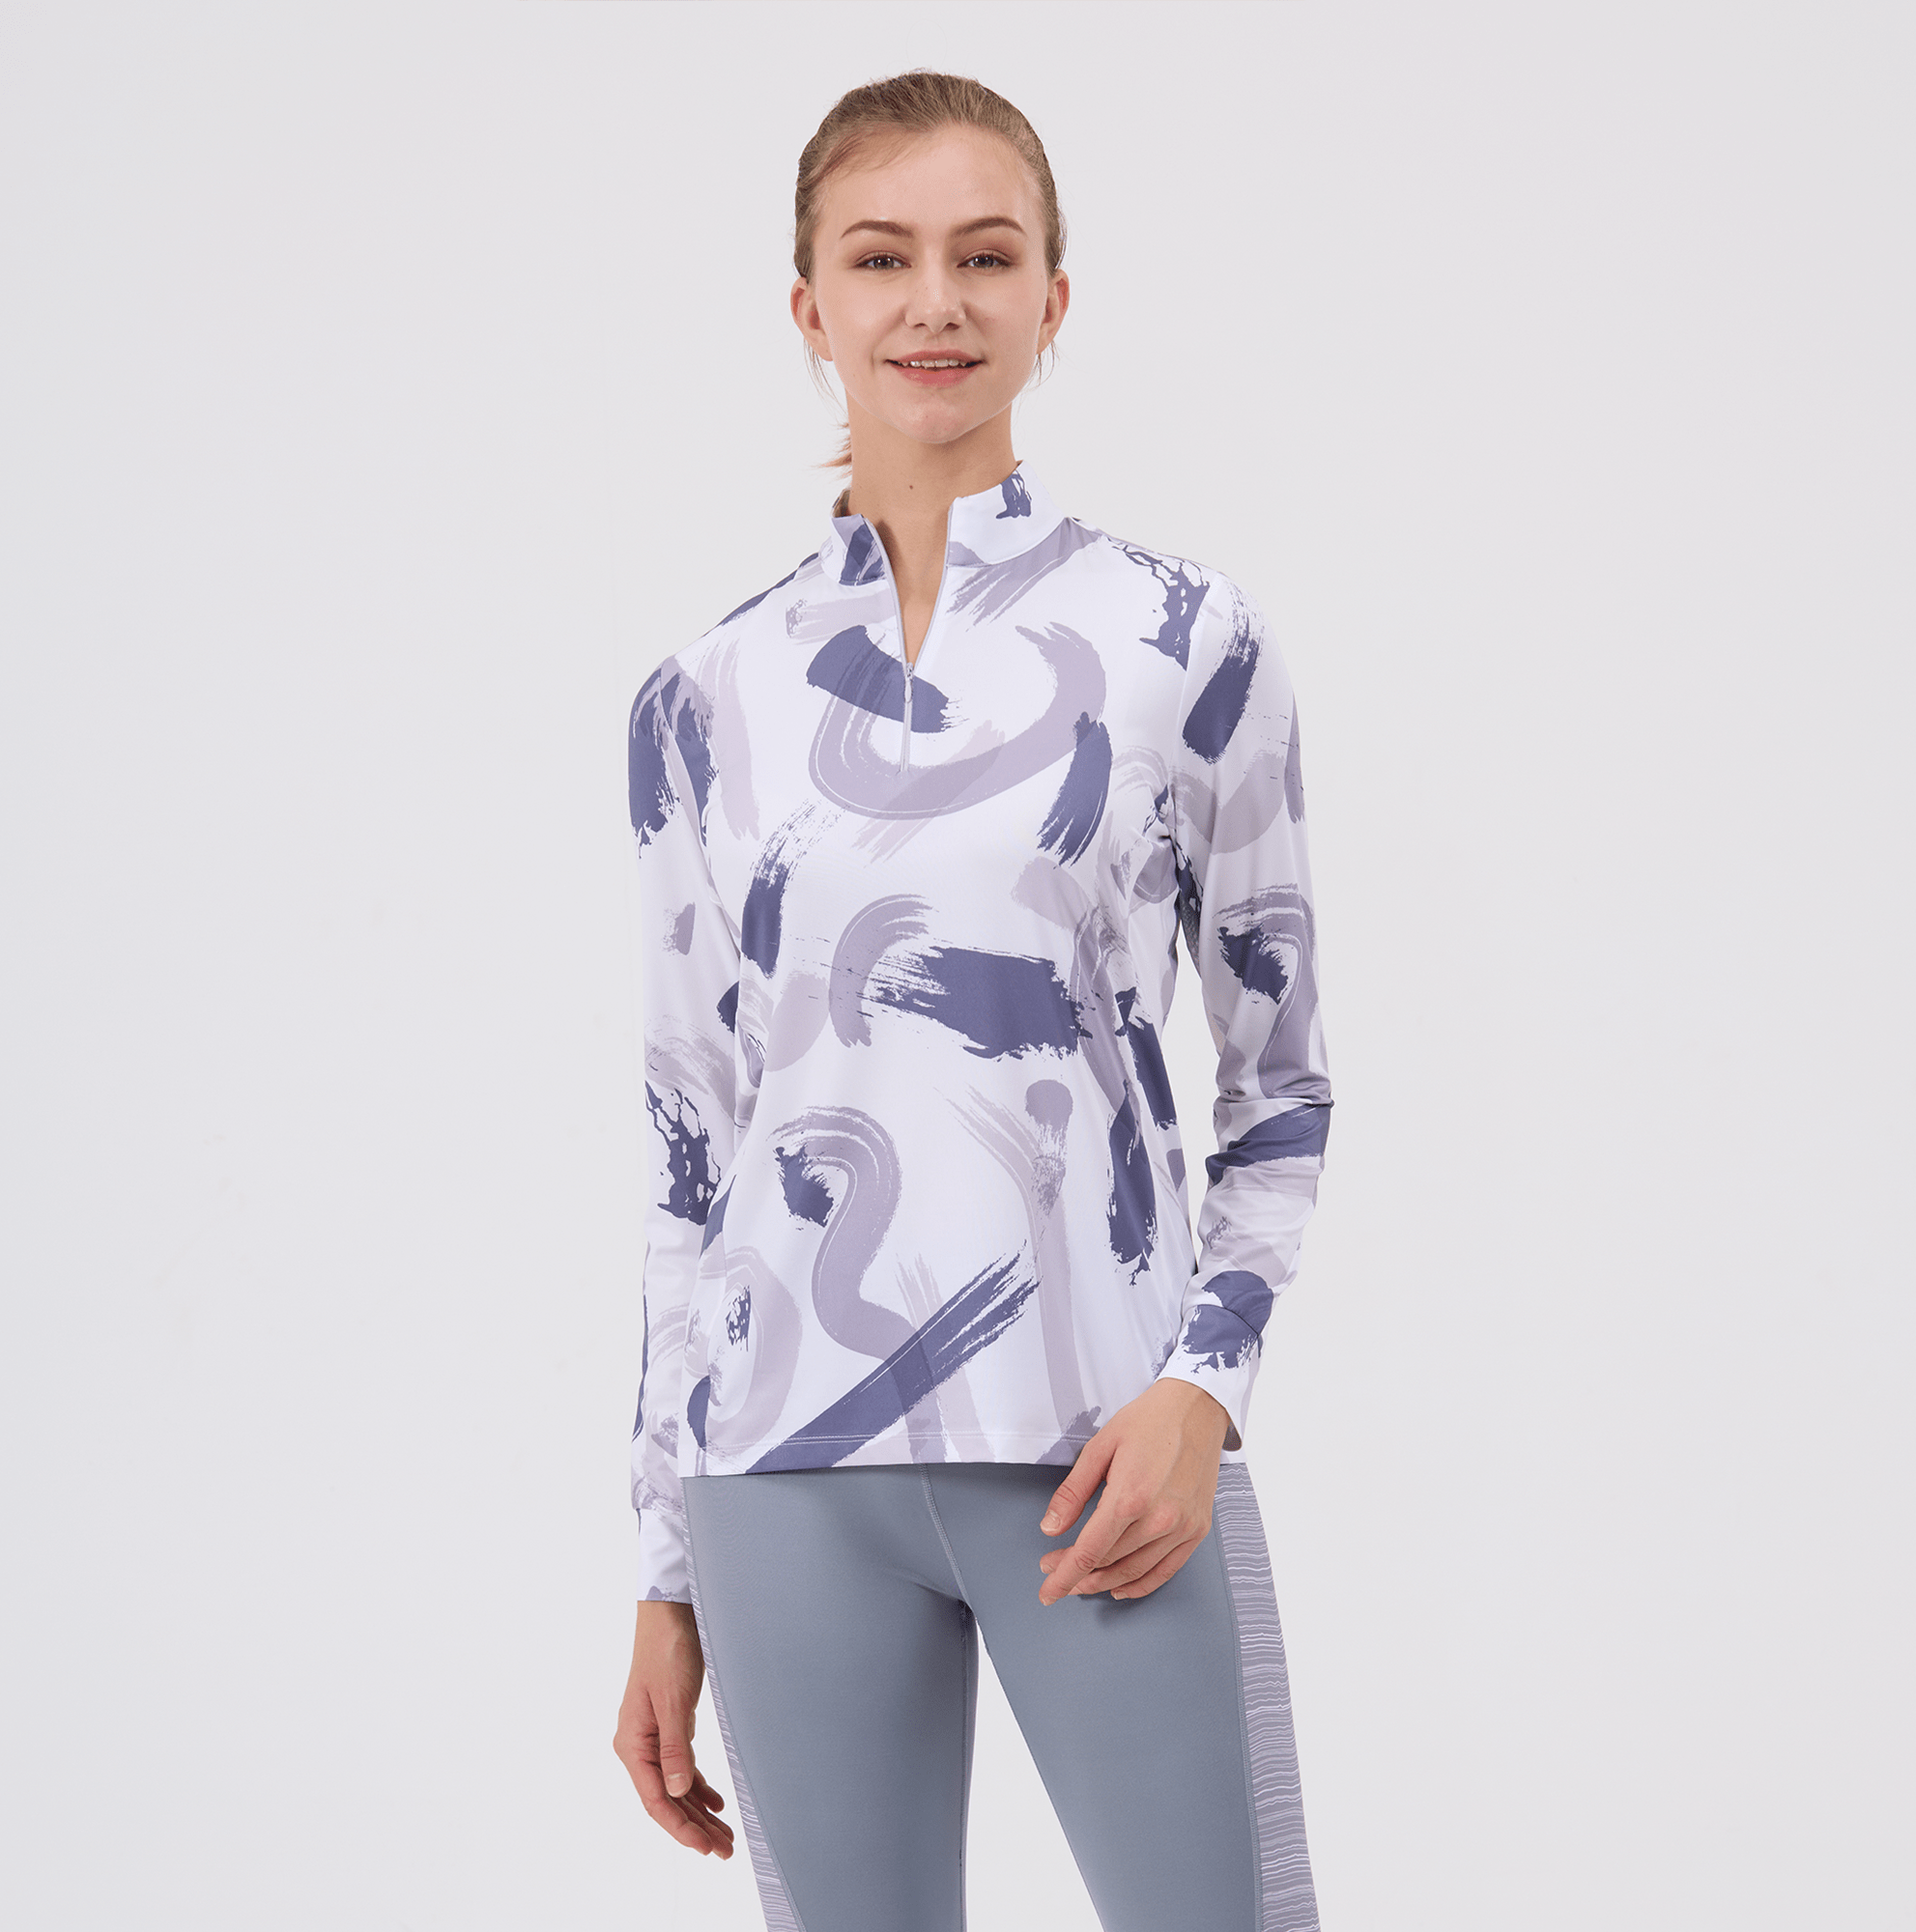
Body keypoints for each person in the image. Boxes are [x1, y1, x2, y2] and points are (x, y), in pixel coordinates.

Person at [613, 70, 1333, 1932]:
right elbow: (691, 1146)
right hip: (780, 1476)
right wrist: (665, 1565)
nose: (934, 301)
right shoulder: (703, 700)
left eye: (984, 256)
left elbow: (1281, 1093)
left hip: (1101, 1454)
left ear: (1052, 299)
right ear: (809, 308)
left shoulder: (1183, 642)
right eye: (882, 258)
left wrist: (1201, 1393)